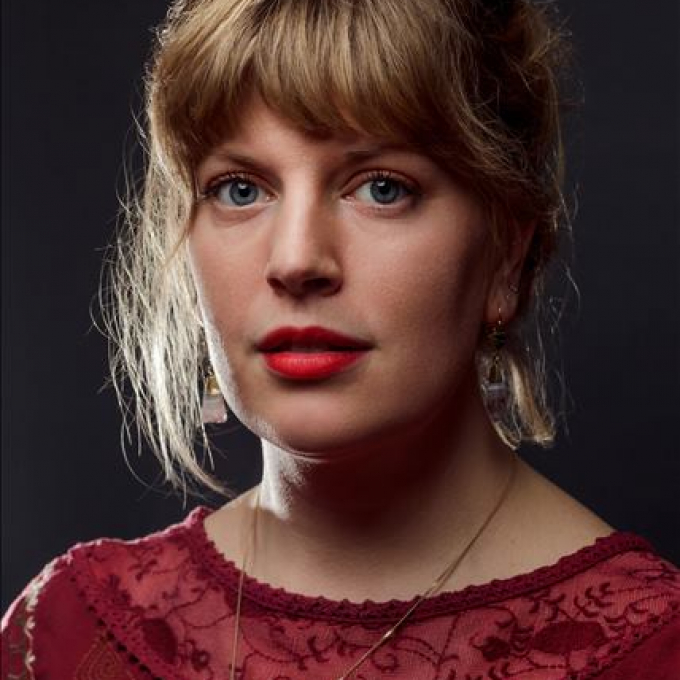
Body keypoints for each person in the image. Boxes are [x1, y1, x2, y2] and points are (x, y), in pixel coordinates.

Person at [2, 0, 678, 677]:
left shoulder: (653, 650)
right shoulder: (67, 637)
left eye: (382, 188)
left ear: (506, 256)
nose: (296, 260)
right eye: (239, 190)